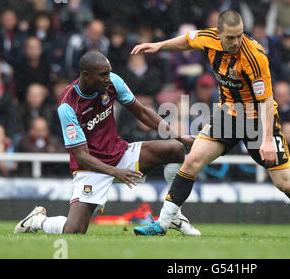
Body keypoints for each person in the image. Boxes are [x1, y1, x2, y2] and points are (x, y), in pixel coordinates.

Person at [130, 10, 290, 237]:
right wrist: (159, 46)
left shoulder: (254, 57)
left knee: (284, 183)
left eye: (239, 35)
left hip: (258, 120)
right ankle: (163, 224)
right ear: (219, 33)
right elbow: (187, 41)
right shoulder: (209, 38)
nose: (236, 42)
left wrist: (266, 140)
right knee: (192, 162)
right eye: (230, 37)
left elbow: (265, 100)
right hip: (228, 116)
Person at [14, 51, 200, 236]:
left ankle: (173, 215)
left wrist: (180, 136)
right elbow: (82, 156)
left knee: (174, 149)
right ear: (86, 76)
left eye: (109, 73)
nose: (108, 78)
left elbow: (142, 112)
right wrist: (115, 172)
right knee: (74, 231)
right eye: (103, 74)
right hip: (90, 167)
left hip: (120, 154)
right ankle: (38, 220)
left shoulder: (112, 83)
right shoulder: (68, 105)